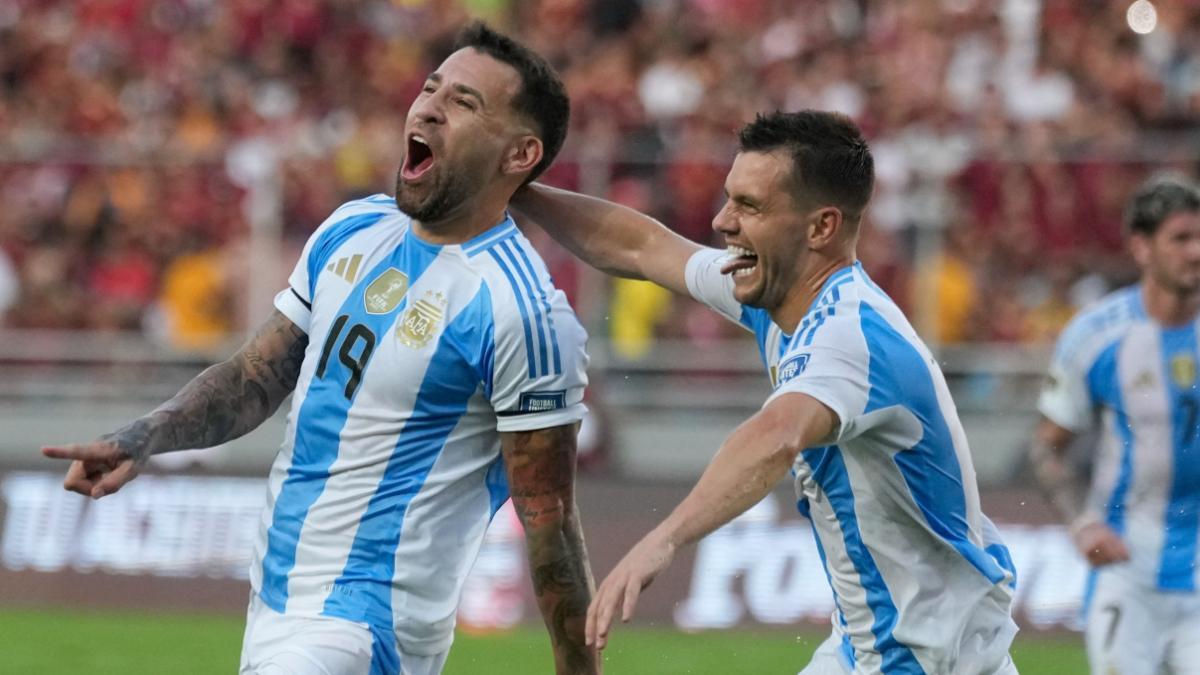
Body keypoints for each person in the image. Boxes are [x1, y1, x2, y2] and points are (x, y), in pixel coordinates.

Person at [42, 22, 600, 675]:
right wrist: (145, 435)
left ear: (519, 154)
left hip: (365, 625)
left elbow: (550, 517)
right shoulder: (354, 228)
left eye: (464, 103)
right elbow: (257, 375)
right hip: (277, 602)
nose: (427, 108)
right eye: (431, 88)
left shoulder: (521, 309)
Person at [511, 110, 1018, 674]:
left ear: (821, 228)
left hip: (927, 662)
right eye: (730, 199)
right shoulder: (778, 297)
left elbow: (777, 436)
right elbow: (641, 247)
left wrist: (666, 538)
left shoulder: (850, 336)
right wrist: (516, 191)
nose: (723, 220)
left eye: (750, 206)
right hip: (867, 648)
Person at [1032, 175, 1200, 675]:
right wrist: (1083, 524)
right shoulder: (1097, 335)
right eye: (1181, 239)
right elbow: (1046, 448)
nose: (1196, 252)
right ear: (1141, 248)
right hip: (1128, 575)